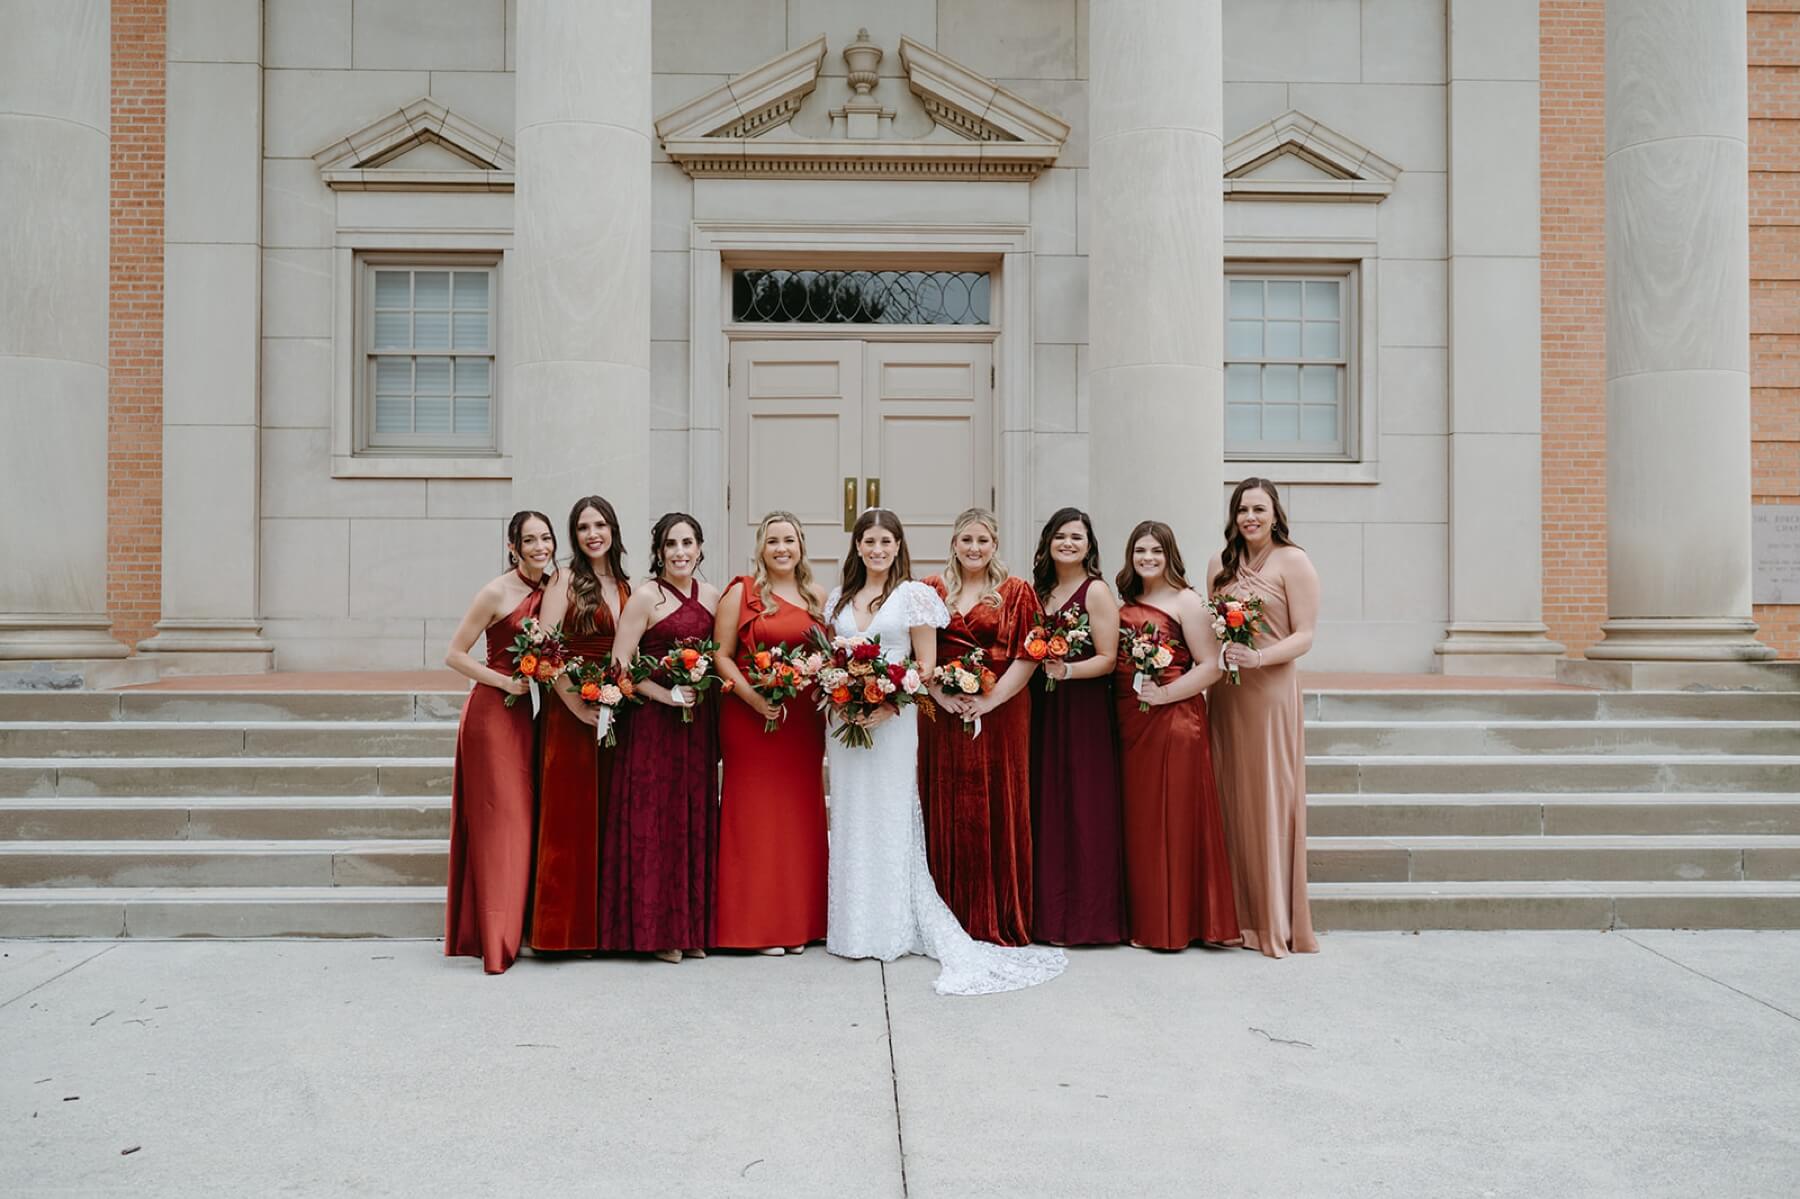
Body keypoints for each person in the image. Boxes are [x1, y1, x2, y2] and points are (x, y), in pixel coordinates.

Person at [822, 508, 1065, 996]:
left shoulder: (918, 594)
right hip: (850, 719)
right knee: (852, 816)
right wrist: (841, 692)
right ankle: (853, 924)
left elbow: (922, 664)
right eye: (868, 541)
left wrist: (892, 705)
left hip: (902, 718)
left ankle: (895, 925)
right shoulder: (842, 598)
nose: (876, 549)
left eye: (885, 541)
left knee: (894, 817)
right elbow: (836, 654)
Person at [598, 512, 721, 962]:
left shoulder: (712, 594)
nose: (680, 552)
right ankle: (657, 934)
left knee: (693, 817)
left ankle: (690, 929)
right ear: (659, 552)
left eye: (688, 543)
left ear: (701, 547)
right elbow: (620, 666)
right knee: (657, 823)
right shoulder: (646, 598)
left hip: (697, 727)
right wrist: (666, 695)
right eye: (671, 544)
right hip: (653, 724)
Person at [1206, 478, 1321, 958]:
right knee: (1229, 795)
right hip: (1228, 694)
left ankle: (1271, 919)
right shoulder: (1219, 564)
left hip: (1270, 690)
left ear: (1275, 514)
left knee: (1270, 795)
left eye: (1259, 509)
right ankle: (1233, 918)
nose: (1250, 518)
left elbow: (1307, 634)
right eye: (1242, 510)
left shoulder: (1293, 561)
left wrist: (1262, 658)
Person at [1113, 519, 1239, 950]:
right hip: (1130, 721)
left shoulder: (1188, 602)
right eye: (1139, 551)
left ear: (1170, 555)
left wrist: (1165, 695)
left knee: (1173, 820)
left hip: (1174, 721)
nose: (1147, 558)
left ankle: (1172, 926)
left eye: (1156, 551)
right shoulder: (1127, 601)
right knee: (1141, 822)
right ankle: (1144, 919)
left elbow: (1211, 666)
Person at [919, 508, 1043, 946]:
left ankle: (996, 914)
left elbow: (1029, 657)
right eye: (966, 540)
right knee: (945, 801)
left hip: (1002, 711)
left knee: (998, 801)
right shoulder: (932, 590)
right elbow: (921, 655)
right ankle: (946, 913)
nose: (974, 548)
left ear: (995, 546)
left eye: (983, 541)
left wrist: (987, 703)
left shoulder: (1017, 592)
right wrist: (942, 696)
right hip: (943, 713)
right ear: (954, 543)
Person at [711, 511, 830, 955]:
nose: (782, 548)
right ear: (761, 547)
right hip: (749, 714)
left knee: (797, 815)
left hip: (800, 720)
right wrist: (756, 699)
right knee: (755, 816)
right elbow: (721, 655)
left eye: (790, 541)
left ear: (801, 546)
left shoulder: (815, 596)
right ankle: (754, 928)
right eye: (773, 540)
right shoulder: (741, 592)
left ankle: (799, 923)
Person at [443, 510, 556, 974]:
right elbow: (453, 655)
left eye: (545, 538)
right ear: (513, 547)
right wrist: (504, 682)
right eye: (529, 540)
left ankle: (528, 928)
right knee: (502, 823)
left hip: (538, 714)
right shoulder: (495, 591)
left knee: (531, 821)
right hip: (494, 714)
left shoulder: (555, 590)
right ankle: (496, 940)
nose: (539, 547)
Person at [530, 496, 629, 953]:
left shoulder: (628, 584)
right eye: (584, 527)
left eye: (601, 525)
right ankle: (562, 930)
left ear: (613, 530)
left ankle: (604, 930)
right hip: (570, 712)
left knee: (609, 817)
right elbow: (546, 651)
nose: (594, 534)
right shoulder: (565, 580)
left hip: (615, 711)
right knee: (569, 817)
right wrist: (573, 703)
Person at [1029, 508, 1127, 946]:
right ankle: (1047, 917)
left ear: (1090, 546)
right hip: (1042, 709)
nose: (1068, 543)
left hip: (1082, 710)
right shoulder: (1039, 591)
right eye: (1061, 536)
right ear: (1048, 541)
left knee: (1085, 807)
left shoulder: (1097, 592)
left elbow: (1108, 657)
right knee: (1047, 804)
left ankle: (1088, 920)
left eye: (1077, 537)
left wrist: (1066, 671)